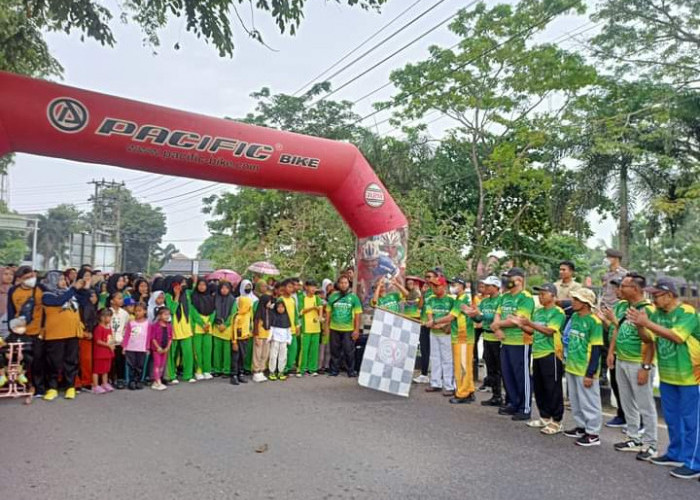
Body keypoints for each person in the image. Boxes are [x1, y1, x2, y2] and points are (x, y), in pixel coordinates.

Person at [627, 278, 700, 480]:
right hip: (668, 375)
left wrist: (646, 322)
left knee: (692, 421)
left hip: (690, 377)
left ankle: (695, 462)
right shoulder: (658, 314)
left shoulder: (686, 312)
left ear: (669, 295)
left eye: (656, 295)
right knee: (673, 419)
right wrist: (640, 324)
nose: (653, 299)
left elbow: (677, 336)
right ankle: (675, 453)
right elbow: (648, 338)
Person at [606, 273, 658, 460]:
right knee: (627, 401)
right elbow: (617, 329)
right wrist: (612, 352)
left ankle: (651, 444)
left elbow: (651, 342)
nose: (620, 289)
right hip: (622, 360)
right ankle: (634, 437)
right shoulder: (623, 306)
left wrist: (645, 367)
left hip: (638, 362)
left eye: (624, 286)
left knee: (645, 404)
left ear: (635, 289)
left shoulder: (648, 310)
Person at [510, 283, 566, 434]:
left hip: (551, 353)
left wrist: (529, 323)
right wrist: (521, 325)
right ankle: (545, 417)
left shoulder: (557, 312)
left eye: (543, 294)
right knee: (540, 388)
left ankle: (557, 421)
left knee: (553, 388)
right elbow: (532, 331)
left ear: (553, 296)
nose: (540, 297)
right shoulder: (538, 312)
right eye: (539, 294)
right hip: (538, 353)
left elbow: (549, 331)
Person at [491, 268, 535, 421]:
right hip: (505, 341)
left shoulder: (526, 298)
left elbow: (517, 320)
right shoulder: (505, 297)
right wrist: (496, 327)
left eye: (510, 277)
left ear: (519, 280)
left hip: (520, 342)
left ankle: (525, 407)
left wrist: (496, 326)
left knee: (521, 375)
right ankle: (513, 403)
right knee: (507, 374)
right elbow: (498, 314)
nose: (506, 280)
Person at [563, 288, 604, 447]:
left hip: (585, 368)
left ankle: (593, 433)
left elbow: (596, 349)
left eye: (577, 300)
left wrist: (590, 373)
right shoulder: (574, 316)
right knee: (575, 400)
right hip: (572, 365)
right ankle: (581, 427)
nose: (573, 302)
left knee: (589, 401)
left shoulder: (594, 322)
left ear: (586, 303)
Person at [41, 271, 84, 401]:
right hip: (55, 334)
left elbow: (84, 302)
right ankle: (52, 388)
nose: (63, 282)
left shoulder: (70, 293)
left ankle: (70, 387)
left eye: (64, 279)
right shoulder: (47, 295)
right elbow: (59, 301)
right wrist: (73, 289)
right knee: (54, 362)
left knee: (71, 360)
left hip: (72, 332)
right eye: (60, 280)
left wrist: (83, 290)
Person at [6, 265, 45, 396]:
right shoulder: (13, 291)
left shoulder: (40, 288)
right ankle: (24, 385)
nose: (31, 279)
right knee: (23, 360)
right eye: (27, 278)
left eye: (32, 276)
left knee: (38, 360)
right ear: (20, 279)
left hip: (37, 330)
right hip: (20, 331)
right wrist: (12, 329)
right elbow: (11, 311)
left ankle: (38, 388)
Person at [436, 277, 475, 404]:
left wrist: (435, 321)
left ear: (463, 286)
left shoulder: (462, 299)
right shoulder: (458, 299)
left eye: (455, 284)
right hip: (459, 336)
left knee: (462, 366)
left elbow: (451, 316)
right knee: (465, 365)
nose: (452, 286)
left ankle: (462, 393)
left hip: (462, 337)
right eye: (452, 284)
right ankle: (469, 390)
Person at [597, 278, 629, 429]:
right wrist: (605, 320)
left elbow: (626, 328)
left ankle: (637, 422)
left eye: (619, 288)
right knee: (617, 386)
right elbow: (614, 327)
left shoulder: (636, 307)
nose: (616, 291)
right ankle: (622, 415)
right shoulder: (620, 305)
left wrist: (613, 320)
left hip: (628, 354)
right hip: (615, 351)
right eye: (616, 288)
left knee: (630, 390)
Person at [472, 276, 503, 406]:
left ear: (496, 287)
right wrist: (472, 315)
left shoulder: (501, 300)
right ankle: (496, 396)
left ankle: (505, 397)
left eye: (488, 286)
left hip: (498, 339)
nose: (485, 288)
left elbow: (494, 317)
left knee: (500, 368)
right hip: (487, 337)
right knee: (490, 367)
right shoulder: (484, 302)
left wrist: (482, 315)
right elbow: (480, 319)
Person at [325, 275, 362, 377]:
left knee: (349, 351)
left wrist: (356, 330)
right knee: (334, 351)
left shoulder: (354, 297)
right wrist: (326, 328)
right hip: (334, 328)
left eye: (345, 283)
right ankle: (334, 370)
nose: (343, 285)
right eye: (341, 283)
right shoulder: (333, 297)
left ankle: (350, 371)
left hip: (348, 329)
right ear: (338, 284)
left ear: (348, 284)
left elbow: (358, 315)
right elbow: (328, 313)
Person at [424, 276, 456, 396]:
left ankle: (449, 385)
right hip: (434, 332)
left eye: (436, 286)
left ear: (443, 286)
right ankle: (435, 383)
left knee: (447, 359)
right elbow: (429, 313)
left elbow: (453, 316)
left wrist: (443, 324)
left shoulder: (451, 300)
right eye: (432, 285)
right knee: (435, 357)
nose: (433, 288)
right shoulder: (430, 299)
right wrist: (432, 322)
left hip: (446, 333)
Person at [165, 275, 195, 384]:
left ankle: (188, 375)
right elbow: (171, 310)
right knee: (172, 354)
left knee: (188, 353)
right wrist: (176, 296)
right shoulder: (168, 296)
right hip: (174, 329)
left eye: (184, 282)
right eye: (181, 283)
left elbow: (190, 309)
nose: (183, 285)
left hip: (186, 328)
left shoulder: (186, 294)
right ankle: (172, 375)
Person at [414, 269, 437, 384]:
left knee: (436, 351)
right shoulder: (425, 291)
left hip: (435, 324)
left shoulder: (438, 291)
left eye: (430, 276)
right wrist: (422, 294)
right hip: (424, 323)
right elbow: (419, 306)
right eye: (426, 277)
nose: (427, 279)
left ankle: (436, 375)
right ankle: (424, 374)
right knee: (424, 349)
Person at [231, 279, 256, 385]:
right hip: (237, 340)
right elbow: (233, 330)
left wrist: (250, 332)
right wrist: (234, 342)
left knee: (243, 357)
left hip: (245, 338)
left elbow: (250, 324)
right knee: (235, 357)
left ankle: (241, 374)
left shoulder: (248, 314)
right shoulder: (237, 316)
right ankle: (234, 375)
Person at [190, 278, 216, 381]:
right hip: (197, 326)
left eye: (204, 285)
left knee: (207, 349)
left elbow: (214, 311)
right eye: (200, 285)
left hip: (208, 327)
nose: (202, 287)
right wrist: (202, 323)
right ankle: (198, 370)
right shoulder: (194, 297)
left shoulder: (210, 298)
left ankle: (207, 370)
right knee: (197, 350)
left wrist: (209, 323)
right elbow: (193, 311)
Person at [122, 302, 149, 390]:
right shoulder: (131, 323)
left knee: (140, 365)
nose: (137, 313)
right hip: (131, 348)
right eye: (136, 311)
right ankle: (131, 381)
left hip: (142, 348)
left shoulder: (148, 324)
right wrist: (124, 347)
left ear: (144, 311)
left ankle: (139, 380)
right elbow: (127, 335)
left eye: (139, 311)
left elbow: (149, 336)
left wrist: (147, 347)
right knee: (131, 365)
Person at [299, 279, 323, 377]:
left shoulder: (317, 298)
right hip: (306, 327)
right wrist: (312, 308)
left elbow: (320, 309)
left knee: (314, 349)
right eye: (311, 286)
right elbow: (300, 312)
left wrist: (320, 316)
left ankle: (312, 369)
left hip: (316, 328)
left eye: (315, 287)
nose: (313, 289)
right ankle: (301, 369)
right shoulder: (302, 297)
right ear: (306, 287)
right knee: (304, 349)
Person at [212, 281, 235, 378]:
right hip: (216, 327)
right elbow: (213, 311)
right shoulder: (215, 297)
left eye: (226, 288)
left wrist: (225, 324)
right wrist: (217, 324)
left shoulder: (233, 299)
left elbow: (233, 314)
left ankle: (226, 370)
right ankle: (217, 369)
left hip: (227, 328)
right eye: (222, 288)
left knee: (226, 351)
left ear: (229, 289)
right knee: (217, 350)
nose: (224, 290)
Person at [108, 291, 130, 389]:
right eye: (119, 298)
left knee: (120, 361)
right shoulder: (108, 312)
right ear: (112, 301)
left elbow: (126, 328)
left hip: (120, 341)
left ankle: (120, 379)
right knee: (110, 362)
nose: (121, 300)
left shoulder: (124, 313)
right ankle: (111, 379)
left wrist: (125, 342)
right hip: (110, 341)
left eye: (122, 298)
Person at [252, 281, 273, 382]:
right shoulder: (259, 312)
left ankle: (261, 369)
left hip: (267, 336)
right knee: (257, 353)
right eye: (268, 301)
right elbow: (256, 325)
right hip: (259, 335)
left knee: (265, 353)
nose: (270, 303)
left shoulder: (269, 312)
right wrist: (256, 336)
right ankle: (256, 371)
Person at [78, 289, 99, 390]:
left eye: (95, 296)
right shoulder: (81, 307)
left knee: (87, 360)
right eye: (91, 296)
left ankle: (86, 381)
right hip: (80, 334)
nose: (93, 298)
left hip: (90, 335)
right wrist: (85, 331)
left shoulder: (94, 308)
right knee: (78, 359)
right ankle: (77, 382)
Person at [279, 279, 300, 375]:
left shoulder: (293, 299)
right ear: (284, 288)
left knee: (293, 349)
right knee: (282, 350)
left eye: (292, 287)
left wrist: (297, 325)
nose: (291, 289)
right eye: (289, 287)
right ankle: (281, 369)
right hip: (283, 329)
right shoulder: (280, 299)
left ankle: (288, 367)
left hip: (292, 329)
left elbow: (295, 314)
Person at [148, 306, 172, 391]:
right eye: (165, 314)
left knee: (162, 365)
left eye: (168, 314)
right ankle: (157, 381)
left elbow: (170, 338)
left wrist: (167, 348)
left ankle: (157, 380)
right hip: (157, 349)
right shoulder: (155, 326)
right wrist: (158, 347)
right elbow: (153, 338)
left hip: (165, 349)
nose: (167, 316)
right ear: (159, 315)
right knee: (157, 365)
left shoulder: (169, 326)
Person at [268, 299, 293, 381]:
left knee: (283, 356)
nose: (280, 309)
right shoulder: (274, 316)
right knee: (273, 356)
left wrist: (289, 339)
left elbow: (288, 329)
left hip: (284, 340)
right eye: (278, 307)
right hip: (275, 339)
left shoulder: (286, 317)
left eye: (282, 307)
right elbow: (271, 328)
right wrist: (269, 338)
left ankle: (280, 371)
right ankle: (272, 371)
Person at [92, 308, 115, 394]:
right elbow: (97, 340)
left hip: (107, 352)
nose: (110, 319)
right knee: (97, 370)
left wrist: (112, 344)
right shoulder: (98, 328)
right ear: (102, 317)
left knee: (106, 369)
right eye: (108, 316)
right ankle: (95, 385)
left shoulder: (108, 328)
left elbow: (110, 338)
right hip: (100, 353)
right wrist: (108, 345)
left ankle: (104, 383)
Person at [318, 279, 334, 372]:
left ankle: (327, 365)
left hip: (331, 324)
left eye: (331, 285)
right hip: (323, 324)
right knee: (322, 347)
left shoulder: (331, 298)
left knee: (328, 347)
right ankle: (320, 366)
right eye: (328, 285)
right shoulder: (322, 300)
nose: (330, 287)